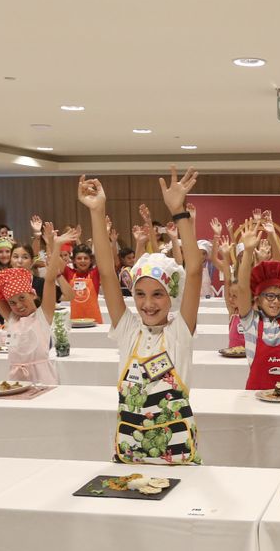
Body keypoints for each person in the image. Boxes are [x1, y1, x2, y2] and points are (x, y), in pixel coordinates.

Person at [81, 168, 205, 465]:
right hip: (129, 454)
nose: (148, 304)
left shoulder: (179, 332)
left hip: (178, 456)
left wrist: (178, 212)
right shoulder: (128, 330)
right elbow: (107, 273)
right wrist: (97, 212)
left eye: (157, 294)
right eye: (140, 294)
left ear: (171, 296)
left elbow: (196, 270)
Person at [0, 224, 64, 386]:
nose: (18, 305)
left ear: (33, 294)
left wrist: (55, 246)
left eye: (22, 298)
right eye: (12, 303)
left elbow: (50, 281)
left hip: (43, 380)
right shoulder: (12, 318)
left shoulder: (43, 316)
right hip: (17, 380)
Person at [234, 213, 280, 392]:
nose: (276, 302)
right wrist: (248, 251)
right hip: (256, 394)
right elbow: (242, 288)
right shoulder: (250, 321)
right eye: (270, 296)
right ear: (257, 298)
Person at [60, 243, 104, 325]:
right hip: (74, 321)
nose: (83, 261)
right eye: (79, 258)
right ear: (74, 261)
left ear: (91, 260)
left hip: (94, 321)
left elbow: (105, 258)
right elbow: (56, 260)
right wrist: (52, 242)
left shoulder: (95, 273)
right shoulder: (68, 273)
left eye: (86, 258)